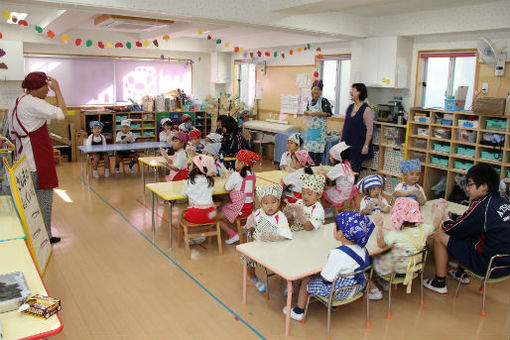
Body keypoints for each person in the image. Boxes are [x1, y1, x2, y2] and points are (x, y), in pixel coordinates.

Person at [424, 164, 510, 294]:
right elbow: (469, 221)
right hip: (505, 265)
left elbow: (453, 230)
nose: (467, 188)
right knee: (473, 233)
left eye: (470, 184)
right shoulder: (503, 200)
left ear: (484, 186)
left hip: (489, 266)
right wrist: (449, 215)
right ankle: (460, 273)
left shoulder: (482, 207)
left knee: (439, 234)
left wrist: (441, 215)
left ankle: (439, 282)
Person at [8, 72, 67, 244]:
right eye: (46, 87)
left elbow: (12, 132)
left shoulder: (18, 101)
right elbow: (63, 113)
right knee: (43, 197)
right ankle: (43, 235)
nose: (48, 90)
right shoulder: (33, 103)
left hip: (22, 157)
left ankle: (31, 234)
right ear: (35, 88)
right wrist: (58, 90)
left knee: (27, 199)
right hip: (36, 158)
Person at [283, 211, 374, 321]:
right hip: (358, 287)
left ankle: (298, 311)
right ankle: (332, 305)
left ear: (340, 234)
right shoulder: (362, 248)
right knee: (337, 273)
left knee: (306, 279)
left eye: (334, 228)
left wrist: (314, 273)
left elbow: (326, 278)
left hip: (340, 293)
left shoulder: (338, 254)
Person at [368, 198, 435, 300]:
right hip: (415, 267)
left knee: (373, 258)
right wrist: (439, 213)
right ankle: (385, 281)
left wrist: (379, 227)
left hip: (398, 270)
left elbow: (381, 244)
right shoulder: (424, 228)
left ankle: (382, 283)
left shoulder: (396, 234)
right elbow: (436, 225)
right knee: (392, 252)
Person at [242, 184, 292, 293]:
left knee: (288, 260)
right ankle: (254, 278)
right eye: (266, 203)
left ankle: (289, 282)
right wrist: (249, 224)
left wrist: (274, 237)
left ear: (278, 202)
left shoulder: (281, 217)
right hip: (261, 247)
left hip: (277, 248)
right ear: (260, 204)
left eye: (273, 202)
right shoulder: (258, 213)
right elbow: (250, 226)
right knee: (247, 259)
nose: (270, 206)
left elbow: (286, 236)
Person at [218, 150, 260, 244]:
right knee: (226, 203)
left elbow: (227, 187)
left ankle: (233, 235)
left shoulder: (236, 175)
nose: (235, 163)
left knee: (218, 217)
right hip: (249, 208)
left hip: (239, 208)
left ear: (242, 163)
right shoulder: (253, 175)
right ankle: (244, 228)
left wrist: (229, 177)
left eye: (236, 161)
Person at [341, 83, 374, 173]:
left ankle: (353, 187)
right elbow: (345, 125)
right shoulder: (349, 107)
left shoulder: (366, 109)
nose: (350, 92)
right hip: (346, 144)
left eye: (353, 90)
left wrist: (366, 145)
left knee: (354, 170)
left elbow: (369, 130)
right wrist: (340, 141)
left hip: (358, 145)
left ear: (359, 92)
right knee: (344, 170)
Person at [302, 80, 332, 165]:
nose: (316, 91)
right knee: (309, 156)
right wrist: (306, 113)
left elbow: (329, 113)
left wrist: (318, 113)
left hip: (320, 133)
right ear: (311, 89)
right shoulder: (310, 102)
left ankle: (316, 175)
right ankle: (309, 175)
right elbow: (308, 113)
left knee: (317, 157)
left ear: (321, 91)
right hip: (311, 131)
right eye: (315, 89)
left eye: (319, 89)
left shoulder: (323, 101)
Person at [322, 141, 356, 208]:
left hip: (341, 194)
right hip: (349, 192)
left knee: (324, 192)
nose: (329, 158)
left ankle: (327, 210)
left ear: (335, 157)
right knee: (332, 188)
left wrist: (322, 172)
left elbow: (328, 176)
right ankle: (331, 209)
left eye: (330, 156)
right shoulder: (347, 163)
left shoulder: (338, 167)